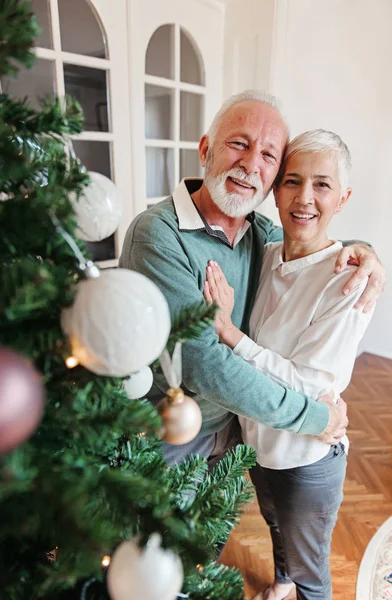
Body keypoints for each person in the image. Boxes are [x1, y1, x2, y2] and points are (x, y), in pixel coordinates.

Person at [119, 90, 385, 468]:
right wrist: (312, 418)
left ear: (274, 177)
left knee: (218, 526)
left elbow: (313, 245)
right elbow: (202, 363)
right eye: (239, 144)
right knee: (163, 528)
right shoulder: (158, 234)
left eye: (268, 156)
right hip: (169, 434)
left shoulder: (259, 233)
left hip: (235, 428)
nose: (250, 164)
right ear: (206, 149)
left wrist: (365, 250)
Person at [203, 129, 375, 600]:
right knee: (275, 526)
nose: (304, 198)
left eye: (322, 185)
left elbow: (303, 386)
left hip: (307, 459)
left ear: (343, 197)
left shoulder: (348, 282)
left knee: (313, 572)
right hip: (258, 442)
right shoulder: (270, 251)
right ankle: (281, 582)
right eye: (292, 181)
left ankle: (295, 584)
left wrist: (230, 335)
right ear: (274, 189)